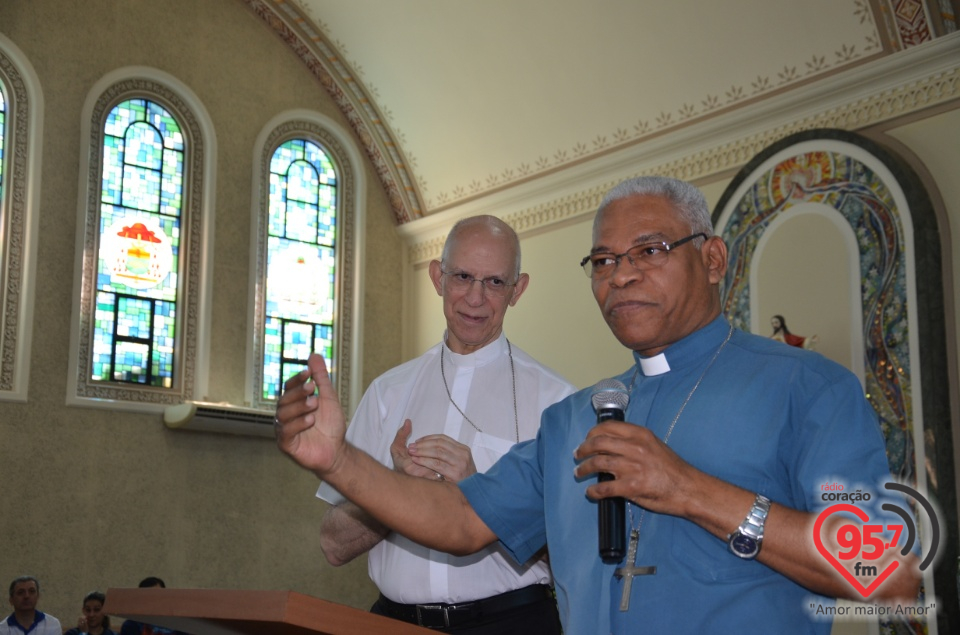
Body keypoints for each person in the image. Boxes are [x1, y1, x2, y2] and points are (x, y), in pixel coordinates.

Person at [275, 176, 921, 634]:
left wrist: (692, 490)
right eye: (604, 260)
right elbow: (458, 520)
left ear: (715, 258)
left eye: (651, 250)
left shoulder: (808, 387)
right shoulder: (575, 417)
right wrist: (338, 460)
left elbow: (890, 575)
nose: (622, 274)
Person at [313, 214, 574, 633]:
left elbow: (575, 554)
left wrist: (482, 496)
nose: (475, 297)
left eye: (494, 282)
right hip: (395, 622)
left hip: (510, 623)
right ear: (438, 277)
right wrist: (395, 492)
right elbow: (333, 544)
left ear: (517, 290)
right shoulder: (387, 392)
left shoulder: (557, 401)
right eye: (463, 276)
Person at [118, 578, 184, 635]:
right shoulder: (132, 625)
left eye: (157, 595)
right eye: (149, 597)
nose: (154, 601)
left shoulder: (177, 624)